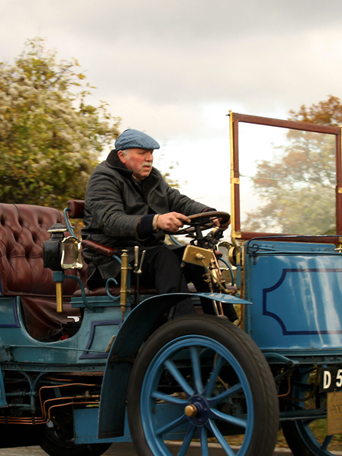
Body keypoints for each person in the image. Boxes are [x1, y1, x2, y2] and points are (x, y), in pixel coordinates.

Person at [82, 128, 236, 320]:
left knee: (198, 257)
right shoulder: (103, 177)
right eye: (142, 153)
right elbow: (111, 221)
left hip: (146, 255)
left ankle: (227, 328)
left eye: (151, 153)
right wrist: (156, 221)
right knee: (163, 257)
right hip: (113, 262)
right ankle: (183, 328)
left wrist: (208, 214)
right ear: (122, 155)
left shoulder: (152, 177)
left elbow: (177, 200)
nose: (149, 158)